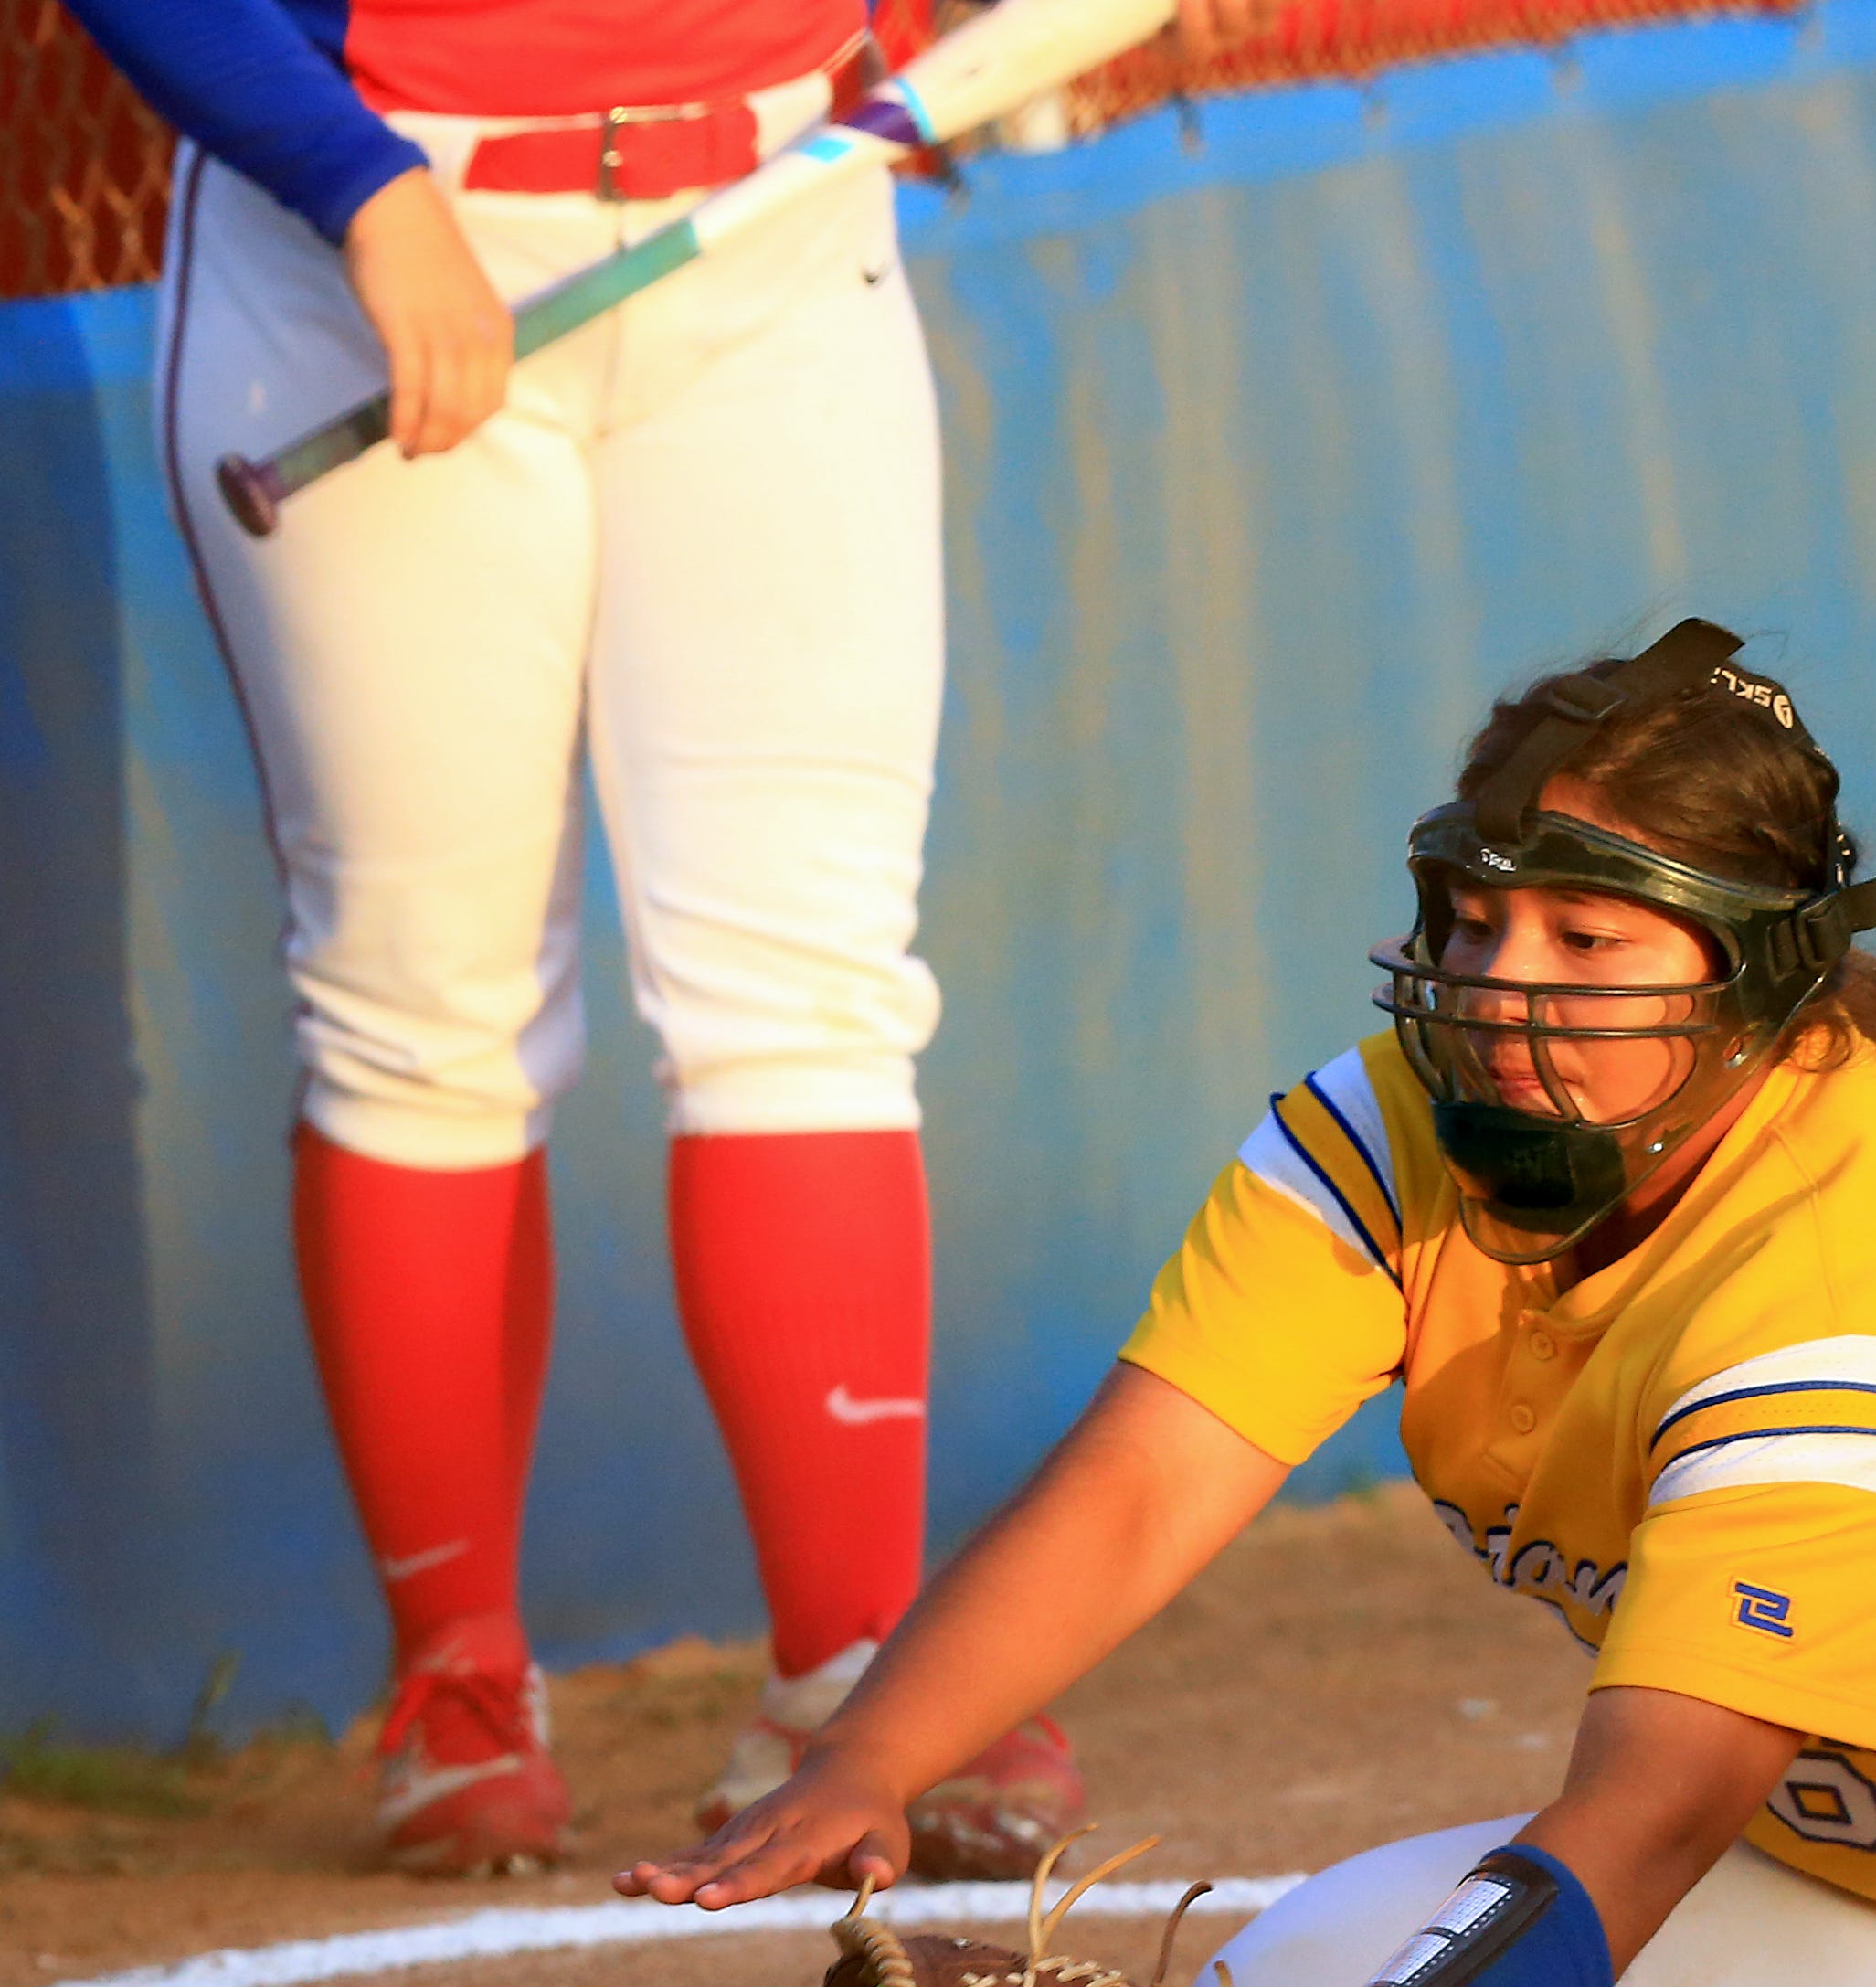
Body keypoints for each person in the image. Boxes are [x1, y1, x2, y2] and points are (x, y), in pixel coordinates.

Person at [620, 622, 1876, 1987]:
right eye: (1478, 916)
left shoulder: (1867, 1292)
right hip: (1869, 1833)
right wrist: (871, 1758)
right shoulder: (1424, 1116)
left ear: (1754, 978)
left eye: (1587, 935)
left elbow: (1657, 1808)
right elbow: (1152, 1477)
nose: (1498, 984)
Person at [62, 0, 1255, 1875]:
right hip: (373, 232)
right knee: (419, 1001)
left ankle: (858, 1668)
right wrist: (360, 194)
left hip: (775, 208)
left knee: (810, 977)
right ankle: (458, 1682)